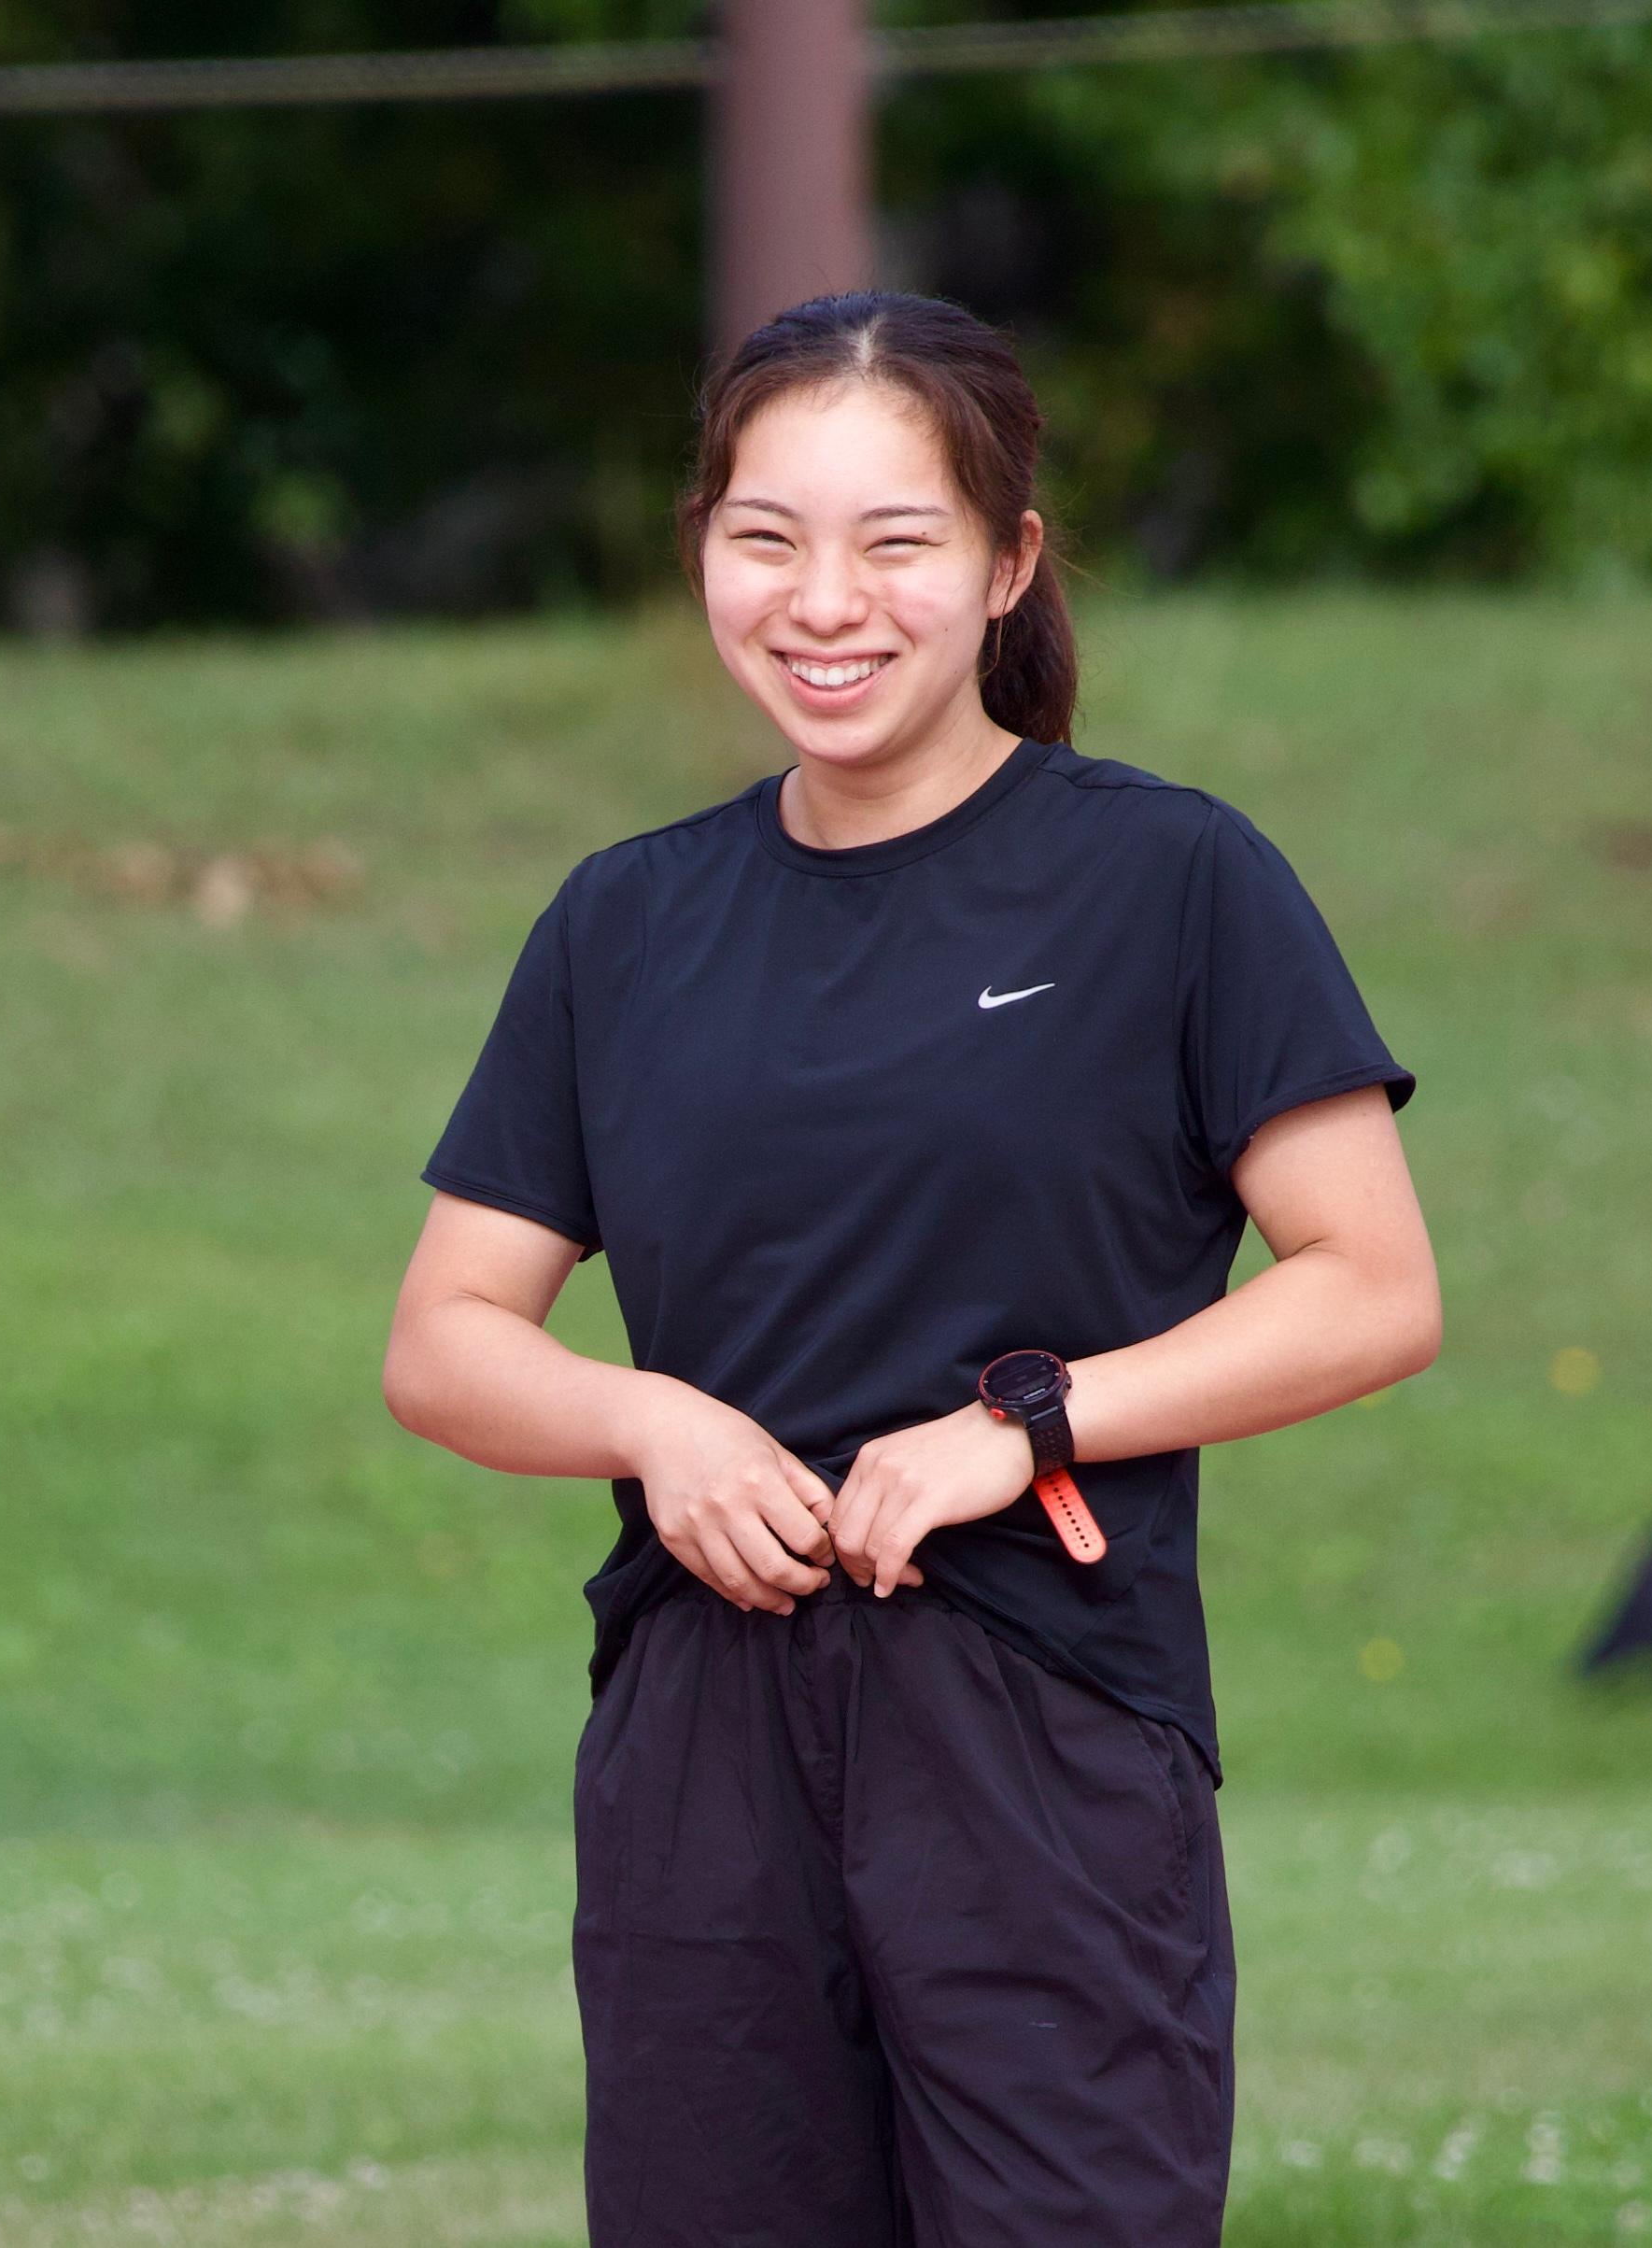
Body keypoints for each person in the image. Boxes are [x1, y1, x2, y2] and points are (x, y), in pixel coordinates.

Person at [382, 290, 1441, 2248]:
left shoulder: (1167, 880)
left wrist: (1019, 1426)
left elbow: (1370, 1283)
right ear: (699, 546)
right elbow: (444, 1339)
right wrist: (646, 1419)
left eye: (895, 540)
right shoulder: (623, 923)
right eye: (762, 536)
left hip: (1039, 1724)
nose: (822, 601)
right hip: (702, 1736)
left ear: (1004, 563)